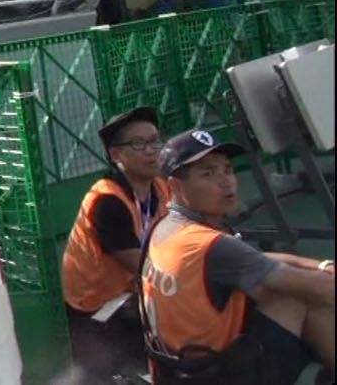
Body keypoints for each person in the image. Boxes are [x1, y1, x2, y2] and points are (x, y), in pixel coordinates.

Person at [141, 130, 334, 385]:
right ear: (175, 186)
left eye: (228, 170)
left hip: (177, 370)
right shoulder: (211, 244)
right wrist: (323, 279)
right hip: (214, 376)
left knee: (283, 291)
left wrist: (323, 265)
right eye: (208, 174)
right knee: (302, 295)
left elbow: (256, 259)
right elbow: (323, 289)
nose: (226, 181)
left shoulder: (166, 227)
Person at [62, 107, 172, 383]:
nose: (152, 151)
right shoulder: (107, 200)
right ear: (116, 155)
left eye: (155, 141)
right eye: (139, 144)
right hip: (99, 307)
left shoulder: (161, 188)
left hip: (133, 292)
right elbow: (140, 265)